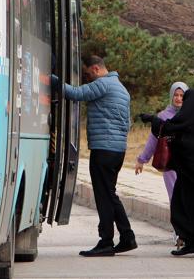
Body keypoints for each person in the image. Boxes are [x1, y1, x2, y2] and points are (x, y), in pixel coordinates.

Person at [60, 55, 136, 257]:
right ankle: (127, 237)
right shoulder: (122, 89)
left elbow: (74, 93)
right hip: (118, 150)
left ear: (95, 69)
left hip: (103, 149)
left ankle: (106, 241)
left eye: (87, 74)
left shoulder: (103, 84)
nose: (87, 78)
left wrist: (47, 78)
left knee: (104, 196)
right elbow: (128, 124)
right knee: (110, 194)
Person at [142, 88, 194, 257]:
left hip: (191, 178)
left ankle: (191, 243)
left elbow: (167, 129)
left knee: (182, 208)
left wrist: (153, 119)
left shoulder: (186, 121)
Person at [135, 82, 188, 201]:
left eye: (182, 95)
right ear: (171, 96)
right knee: (175, 198)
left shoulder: (191, 115)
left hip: (188, 164)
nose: (178, 98)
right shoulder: (163, 116)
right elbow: (153, 140)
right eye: (176, 95)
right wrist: (141, 160)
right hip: (170, 164)